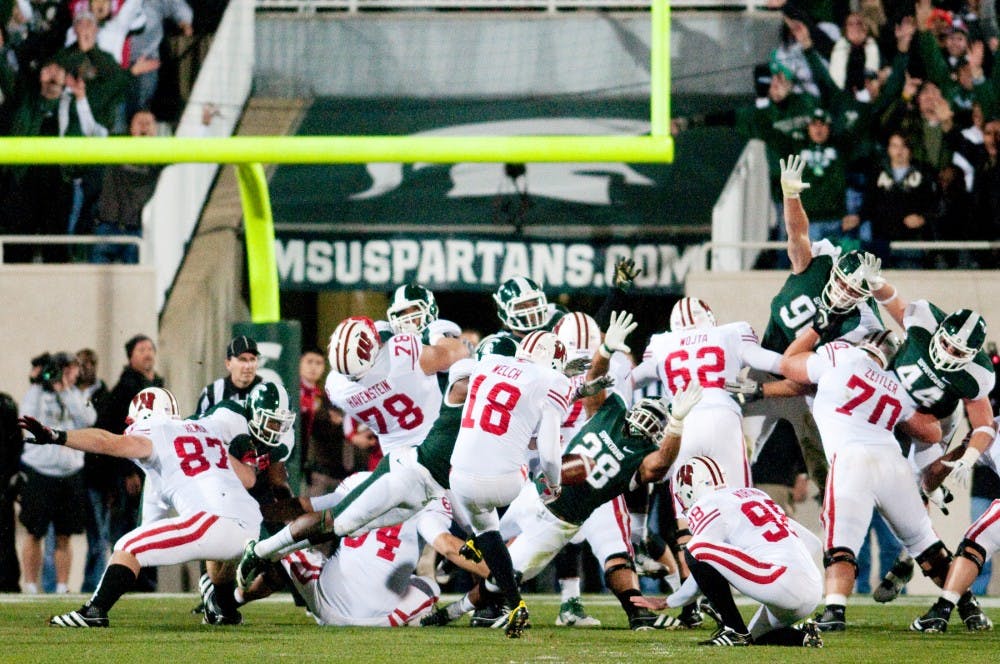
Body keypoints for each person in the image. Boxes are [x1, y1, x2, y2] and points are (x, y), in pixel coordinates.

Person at [423, 322, 703, 632]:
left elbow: (661, 464)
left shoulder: (644, 459)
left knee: (503, 577)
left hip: (558, 521)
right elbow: (595, 378)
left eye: (655, 422)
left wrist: (676, 424)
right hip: (536, 491)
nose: (645, 420)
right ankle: (464, 556)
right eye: (645, 412)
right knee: (489, 539)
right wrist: (605, 350)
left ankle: (454, 611)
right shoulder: (611, 410)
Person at [778, 328, 985, 631]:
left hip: (851, 458)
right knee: (924, 542)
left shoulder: (839, 354)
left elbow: (788, 366)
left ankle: (835, 611)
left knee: (841, 541)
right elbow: (930, 433)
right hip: (892, 462)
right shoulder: (896, 385)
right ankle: (968, 607)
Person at [26, 386, 262, 627]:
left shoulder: (155, 430)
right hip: (251, 524)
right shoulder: (204, 429)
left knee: (129, 546)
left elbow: (106, 441)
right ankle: (224, 610)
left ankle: (94, 611)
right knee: (211, 553)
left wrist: (58, 436)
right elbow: (245, 479)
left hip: (214, 521)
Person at [236, 472, 488, 627]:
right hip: (381, 620)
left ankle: (231, 599)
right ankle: (430, 615)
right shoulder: (435, 502)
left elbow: (303, 506)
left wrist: (254, 515)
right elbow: (448, 547)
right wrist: (499, 574)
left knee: (284, 546)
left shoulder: (361, 480)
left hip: (325, 601)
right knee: (430, 586)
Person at [447, 329, 574, 637]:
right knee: (537, 487)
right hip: (505, 484)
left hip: (458, 479)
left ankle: (515, 604)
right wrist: (553, 483)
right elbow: (548, 452)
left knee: (486, 527)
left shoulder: (487, 364)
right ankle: (486, 542)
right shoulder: (554, 380)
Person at [632, 456, 824, 648]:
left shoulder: (708, 503)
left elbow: (700, 554)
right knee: (757, 637)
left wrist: (669, 601)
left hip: (781, 582)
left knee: (695, 548)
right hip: (812, 588)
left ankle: (734, 631)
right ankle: (804, 636)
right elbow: (813, 543)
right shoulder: (755, 494)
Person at [911, 418, 1000, 633]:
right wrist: (963, 450)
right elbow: (933, 475)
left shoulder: (990, 429)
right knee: (977, 539)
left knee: (977, 539)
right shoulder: (989, 430)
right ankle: (944, 610)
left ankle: (942, 611)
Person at [18, 352, 96, 594]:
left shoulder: (79, 395)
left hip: (70, 473)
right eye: (67, 369)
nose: (71, 374)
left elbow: (88, 419)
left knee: (65, 533)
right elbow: (25, 417)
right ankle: (31, 585)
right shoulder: (37, 393)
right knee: (34, 532)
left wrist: (64, 390)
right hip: (40, 471)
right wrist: (37, 383)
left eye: (73, 369)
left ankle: (62, 586)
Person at [97, 333, 164, 590]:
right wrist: (127, 470)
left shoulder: (157, 386)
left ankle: (146, 577)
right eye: (141, 350)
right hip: (133, 469)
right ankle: (129, 578)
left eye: (150, 348)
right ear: (130, 357)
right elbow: (113, 432)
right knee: (129, 524)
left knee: (151, 523)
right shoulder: (124, 389)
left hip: (153, 468)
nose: (148, 353)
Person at [76, 348, 113, 593]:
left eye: (91, 362)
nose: (86, 367)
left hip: (95, 475)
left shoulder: (104, 395)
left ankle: (94, 583)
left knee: (98, 535)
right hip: (70, 473)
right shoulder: (66, 392)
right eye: (82, 363)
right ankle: (52, 584)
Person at [195, 335, 263, 416]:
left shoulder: (268, 391)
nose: (248, 366)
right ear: (228, 364)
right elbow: (199, 426)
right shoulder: (211, 394)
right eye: (242, 359)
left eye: (252, 359)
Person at [0, 392, 23, 592]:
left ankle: (8, 582)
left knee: (5, 537)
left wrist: (13, 476)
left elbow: (16, 443)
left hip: (2, 483)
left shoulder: (5, 405)